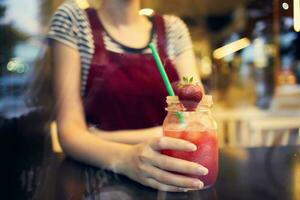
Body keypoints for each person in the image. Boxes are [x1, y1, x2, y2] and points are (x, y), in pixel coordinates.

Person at [47, 0, 207, 192]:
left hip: (171, 176)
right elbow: (70, 133)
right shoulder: (73, 21)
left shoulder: (173, 29)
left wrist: (104, 137)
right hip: (100, 181)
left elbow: (194, 123)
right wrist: (126, 158)